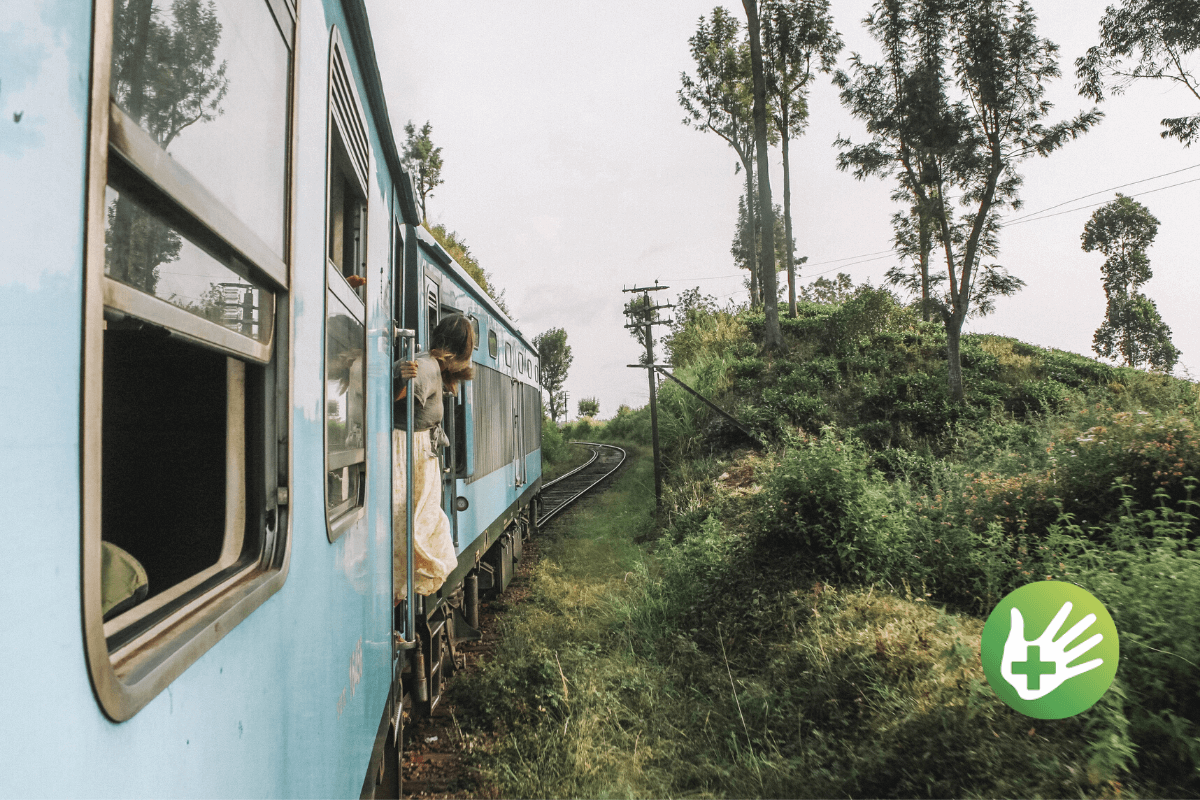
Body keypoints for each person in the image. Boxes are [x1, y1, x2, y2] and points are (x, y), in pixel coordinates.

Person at [392, 314, 475, 604]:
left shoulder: (430, 367)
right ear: (461, 349)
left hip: (417, 458)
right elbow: (393, 402)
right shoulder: (427, 368)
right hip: (408, 457)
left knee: (420, 531)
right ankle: (394, 602)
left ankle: (398, 599)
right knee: (413, 532)